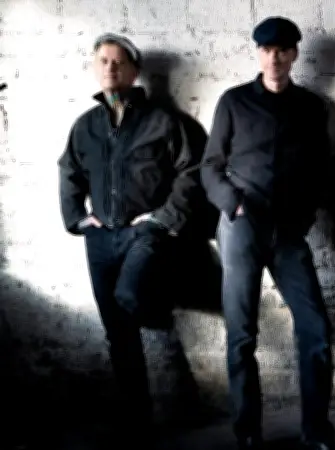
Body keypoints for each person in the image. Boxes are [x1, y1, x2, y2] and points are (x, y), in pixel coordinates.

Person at [57, 33, 203, 445]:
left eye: (119, 61)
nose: (110, 68)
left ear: (135, 71)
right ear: (94, 68)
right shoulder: (85, 126)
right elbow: (68, 171)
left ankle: (155, 310)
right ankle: (138, 421)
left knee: (128, 298)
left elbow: (191, 171)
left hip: (146, 233)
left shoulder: (163, 121)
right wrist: (79, 220)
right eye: (103, 60)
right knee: (118, 333)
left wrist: (162, 219)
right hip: (100, 238)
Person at [200, 16, 335, 450]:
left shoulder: (312, 107)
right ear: (258, 53)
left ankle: (316, 430)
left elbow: (321, 170)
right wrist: (234, 204)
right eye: (266, 50)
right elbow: (210, 166)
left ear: (293, 54)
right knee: (242, 334)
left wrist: (305, 217)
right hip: (242, 228)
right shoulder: (234, 102)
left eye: (281, 50)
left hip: (289, 233)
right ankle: (248, 432)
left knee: (315, 327)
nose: (273, 58)